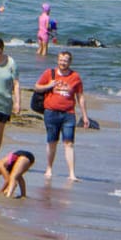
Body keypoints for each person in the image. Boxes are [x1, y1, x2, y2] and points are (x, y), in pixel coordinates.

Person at [33, 50, 90, 181]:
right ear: (57, 61)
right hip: (51, 112)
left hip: (68, 114)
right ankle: (49, 168)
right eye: (61, 60)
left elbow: (80, 97)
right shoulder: (49, 73)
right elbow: (36, 87)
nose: (63, 62)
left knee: (69, 143)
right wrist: (49, 85)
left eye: (65, 60)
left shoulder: (75, 77)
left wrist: (85, 116)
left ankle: (71, 173)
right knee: (52, 142)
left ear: (70, 62)